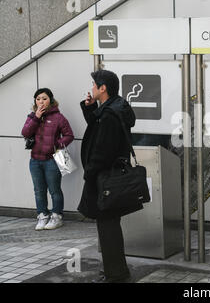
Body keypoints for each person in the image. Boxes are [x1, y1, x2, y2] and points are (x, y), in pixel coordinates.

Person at [78, 69, 136, 283]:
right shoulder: (113, 107)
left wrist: (90, 172)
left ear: (103, 88)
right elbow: (97, 128)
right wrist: (91, 108)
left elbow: (103, 148)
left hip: (104, 177)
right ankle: (116, 270)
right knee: (109, 224)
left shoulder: (111, 113)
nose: (92, 88)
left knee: (107, 226)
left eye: (94, 85)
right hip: (109, 175)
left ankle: (116, 274)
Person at [21, 88, 74, 231]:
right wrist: (36, 117)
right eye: (38, 99)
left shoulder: (58, 117)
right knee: (38, 190)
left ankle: (56, 216)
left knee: (54, 190)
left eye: (44, 98)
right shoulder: (33, 116)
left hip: (52, 160)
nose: (41, 101)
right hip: (35, 161)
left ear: (50, 99)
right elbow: (25, 132)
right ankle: (42, 215)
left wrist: (56, 144)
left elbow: (69, 135)